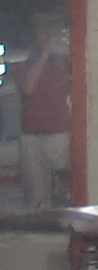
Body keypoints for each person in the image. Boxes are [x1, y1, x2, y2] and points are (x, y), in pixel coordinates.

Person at [10, 14, 73, 208]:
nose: (47, 35)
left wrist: (62, 53)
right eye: (42, 31)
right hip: (32, 134)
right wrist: (45, 54)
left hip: (61, 132)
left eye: (51, 30)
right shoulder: (22, 57)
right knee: (37, 194)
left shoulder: (68, 57)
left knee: (67, 187)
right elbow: (28, 86)